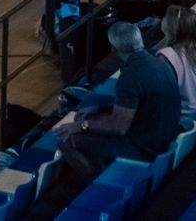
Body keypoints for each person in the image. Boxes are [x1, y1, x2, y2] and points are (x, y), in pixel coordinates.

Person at [55, 21, 183, 182]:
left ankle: (96, 183)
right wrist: (100, 108)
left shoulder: (130, 77)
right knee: (93, 120)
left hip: (145, 148)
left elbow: (118, 127)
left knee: (66, 140)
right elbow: (143, 103)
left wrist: (81, 125)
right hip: (164, 136)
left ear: (113, 49)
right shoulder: (160, 62)